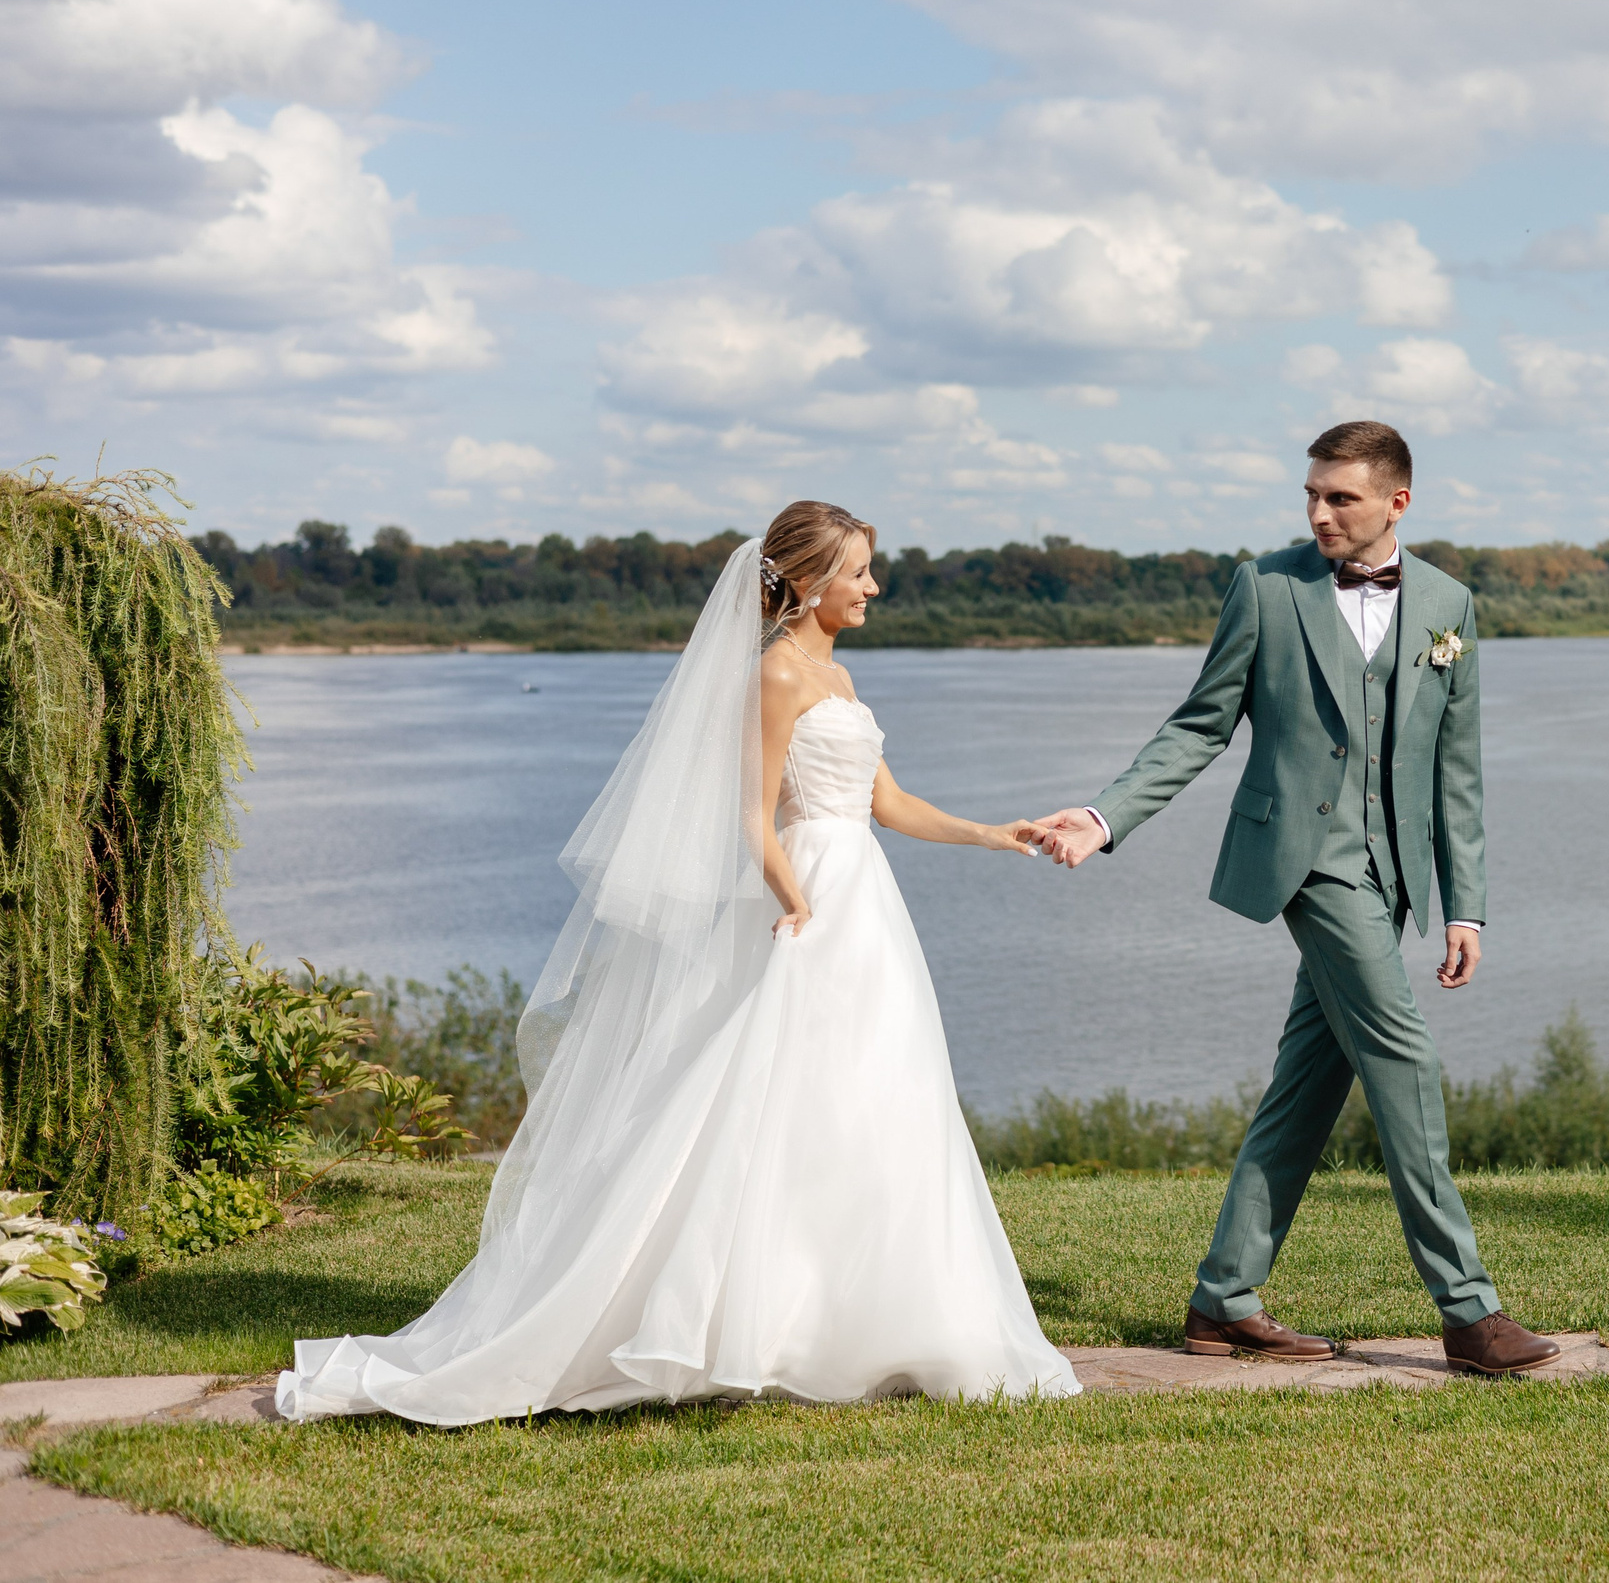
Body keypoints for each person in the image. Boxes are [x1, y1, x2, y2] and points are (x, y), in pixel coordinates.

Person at [277, 502, 1080, 1424]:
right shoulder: (775, 674)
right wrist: (796, 899)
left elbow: (884, 800)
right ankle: (744, 1318)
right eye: (859, 571)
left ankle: (874, 1314)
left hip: (869, 899)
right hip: (813, 897)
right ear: (811, 579)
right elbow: (751, 815)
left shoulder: (842, 675)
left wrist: (995, 832)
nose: (873, 587)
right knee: (767, 1095)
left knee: (876, 1090)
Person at [1035, 421, 1561, 1376]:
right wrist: (1105, 817)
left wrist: (1465, 906)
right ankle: (1470, 1310)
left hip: (1394, 875)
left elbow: (1458, 771)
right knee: (1402, 1058)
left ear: (1397, 502)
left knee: (1306, 1091)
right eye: (1311, 495)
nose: (1319, 512)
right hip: (1307, 863)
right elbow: (1199, 725)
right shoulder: (1266, 586)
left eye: (1341, 497)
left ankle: (1223, 1301)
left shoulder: (1447, 603)